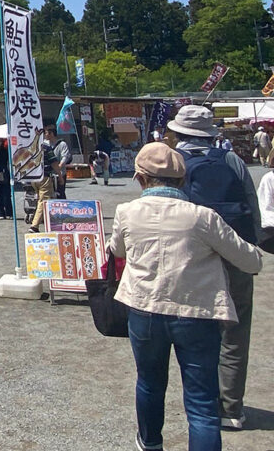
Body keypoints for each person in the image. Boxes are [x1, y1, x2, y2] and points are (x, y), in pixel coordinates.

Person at [108, 142, 263, 451]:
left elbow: (117, 250)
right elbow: (252, 261)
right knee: (202, 401)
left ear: (141, 178)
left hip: (144, 309)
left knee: (150, 383)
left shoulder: (127, 212)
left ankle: (150, 443)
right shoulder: (202, 217)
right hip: (197, 315)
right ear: (182, 179)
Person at [168, 104, 265, 430]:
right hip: (235, 255)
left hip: (192, 261)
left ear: (178, 133)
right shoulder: (232, 161)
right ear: (211, 135)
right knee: (235, 333)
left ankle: (203, 404)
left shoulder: (173, 163)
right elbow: (252, 207)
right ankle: (232, 409)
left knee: (197, 334)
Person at [28, 141, 63, 234]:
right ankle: (34, 226)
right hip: (45, 177)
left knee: (40, 199)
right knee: (43, 201)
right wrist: (60, 175)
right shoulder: (46, 147)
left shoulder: (29, 145)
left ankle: (43, 220)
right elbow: (54, 163)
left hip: (33, 177)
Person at [45, 124, 71, 199]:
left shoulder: (62, 144)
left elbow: (65, 156)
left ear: (51, 134)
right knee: (50, 194)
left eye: (46, 133)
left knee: (60, 192)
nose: (45, 135)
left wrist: (60, 165)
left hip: (60, 173)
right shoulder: (45, 144)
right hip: (48, 174)